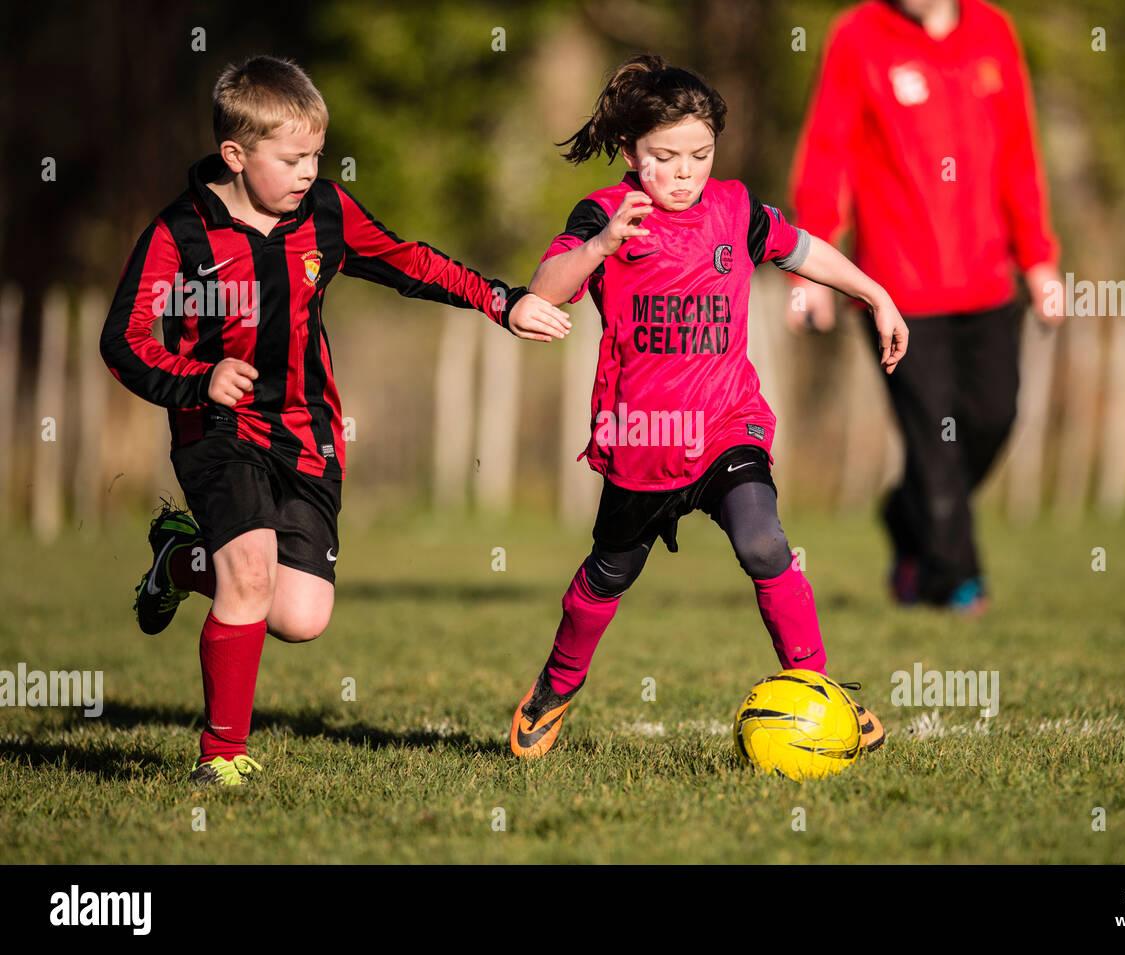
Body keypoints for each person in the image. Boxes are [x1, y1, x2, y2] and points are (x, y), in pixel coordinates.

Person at [100, 55, 570, 786]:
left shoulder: (325, 212)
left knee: (301, 614)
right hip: (215, 432)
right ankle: (221, 758)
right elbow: (123, 341)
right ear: (235, 154)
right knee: (250, 575)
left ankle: (180, 560)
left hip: (307, 434)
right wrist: (199, 380)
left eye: (317, 154)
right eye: (292, 158)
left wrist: (501, 300)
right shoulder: (180, 233)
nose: (308, 171)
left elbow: (408, 262)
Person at [509, 54, 908, 759]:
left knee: (764, 543)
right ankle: (554, 688)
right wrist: (600, 247)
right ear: (632, 153)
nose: (685, 171)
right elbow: (543, 288)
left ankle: (815, 690)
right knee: (608, 572)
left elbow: (803, 249)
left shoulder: (733, 208)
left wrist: (874, 293)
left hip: (728, 424)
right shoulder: (606, 213)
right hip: (643, 439)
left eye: (700, 154)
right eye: (665, 157)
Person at [786, 0, 1063, 614]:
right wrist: (811, 270)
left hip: (989, 280)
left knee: (992, 419)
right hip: (897, 289)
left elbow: (1019, 155)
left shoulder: (993, 32)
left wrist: (1038, 258)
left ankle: (908, 515)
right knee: (934, 436)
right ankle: (955, 579)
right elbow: (827, 152)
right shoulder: (857, 37)